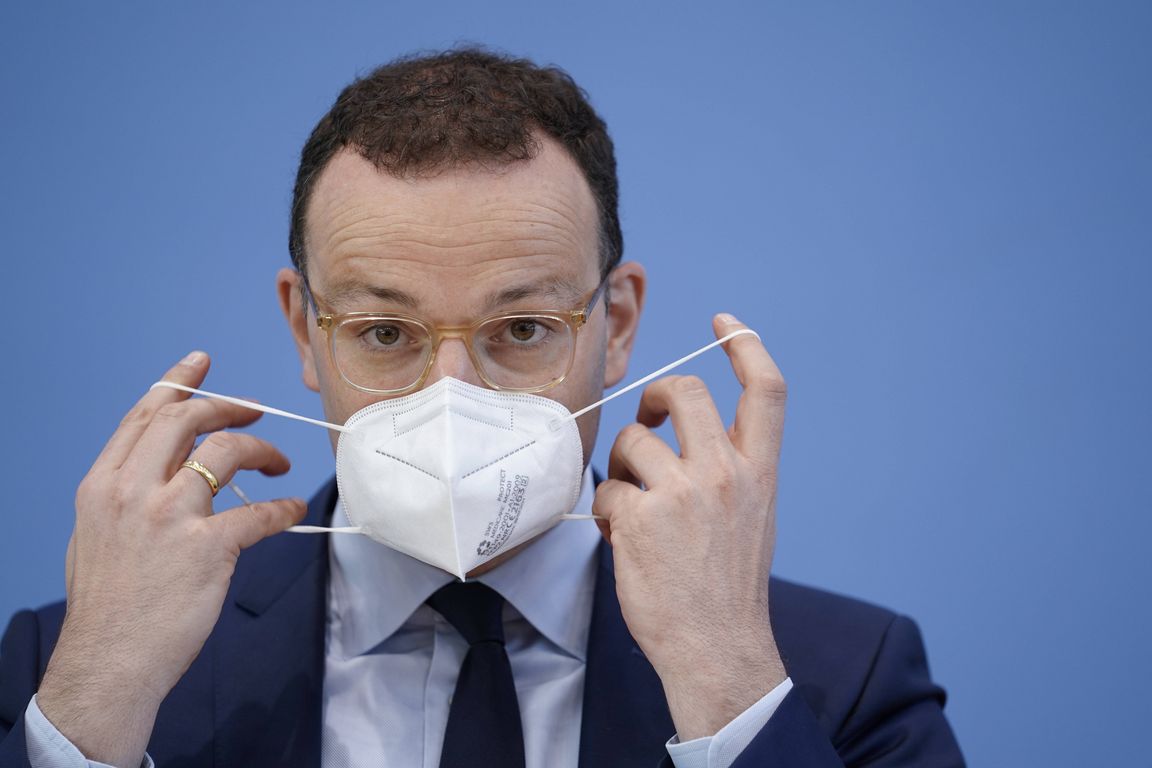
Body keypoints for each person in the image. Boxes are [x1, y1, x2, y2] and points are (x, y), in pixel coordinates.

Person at [0, 49, 964, 767]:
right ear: (305, 332)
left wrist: (728, 679)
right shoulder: (65, 665)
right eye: (385, 332)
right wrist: (94, 705)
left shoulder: (842, 677)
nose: (450, 396)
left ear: (618, 325)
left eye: (523, 328)